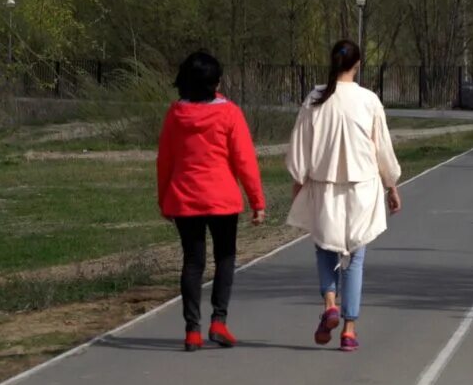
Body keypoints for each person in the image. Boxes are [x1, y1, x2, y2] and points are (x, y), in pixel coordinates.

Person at [285, 40, 402, 352]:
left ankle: (330, 303)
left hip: (324, 187)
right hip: (362, 187)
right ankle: (349, 329)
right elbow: (382, 148)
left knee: (325, 247)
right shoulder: (369, 100)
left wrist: (298, 182)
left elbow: (300, 148)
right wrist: (391, 185)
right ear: (358, 64)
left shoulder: (315, 98)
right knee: (355, 259)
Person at [157, 51, 266, 352]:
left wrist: (163, 198)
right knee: (225, 258)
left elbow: (165, 160)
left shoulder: (175, 114)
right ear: (215, 83)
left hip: (184, 197)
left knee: (193, 262)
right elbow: (244, 160)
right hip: (222, 198)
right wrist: (257, 200)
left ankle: (192, 330)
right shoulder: (230, 113)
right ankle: (219, 321)